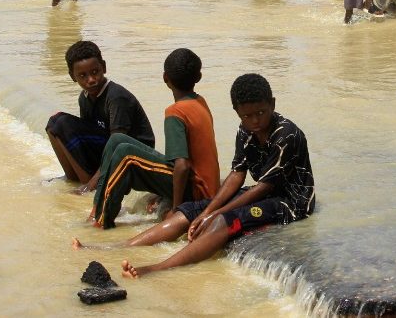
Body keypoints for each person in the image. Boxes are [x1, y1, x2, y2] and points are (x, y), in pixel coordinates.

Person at [106, 73, 314, 279]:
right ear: (237, 112)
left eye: (261, 112)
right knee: (189, 211)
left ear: (273, 104)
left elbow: (264, 186)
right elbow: (237, 174)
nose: (255, 120)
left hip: (290, 203)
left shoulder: (286, 135)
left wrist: (215, 214)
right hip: (263, 192)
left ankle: (156, 269)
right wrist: (206, 211)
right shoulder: (245, 130)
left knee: (222, 221)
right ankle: (119, 246)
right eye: (247, 116)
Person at [81, 48, 220, 229]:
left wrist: (177, 209)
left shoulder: (175, 112)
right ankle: (96, 209)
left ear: (165, 78)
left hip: (197, 191)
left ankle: (101, 220)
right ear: (199, 77)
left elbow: (182, 165)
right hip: (203, 185)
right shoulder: (200, 101)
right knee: (117, 140)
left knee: (125, 154)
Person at [45, 41, 154, 189]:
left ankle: (89, 185)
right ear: (72, 76)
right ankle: (73, 178)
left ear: (104, 67)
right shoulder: (84, 98)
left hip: (136, 157)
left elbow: (117, 144)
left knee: (62, 123)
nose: (90, 80)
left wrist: (91, 185)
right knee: (54, 123)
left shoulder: (116, 97)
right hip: (109, 149)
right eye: (82, 75)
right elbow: (84, 142)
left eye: (95, 72)